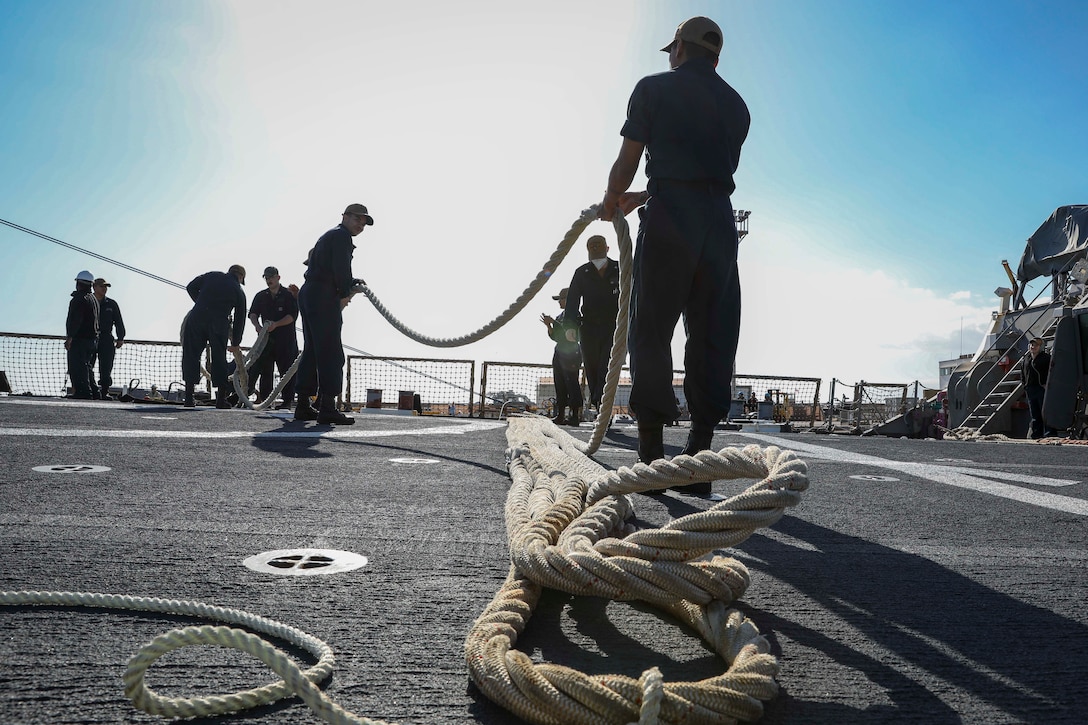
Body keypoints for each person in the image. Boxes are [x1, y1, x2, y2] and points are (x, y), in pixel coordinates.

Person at [598, 16, 750, 487]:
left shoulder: (653, 88)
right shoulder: (738, 106)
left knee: (651, 329)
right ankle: (699, 456)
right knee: (712, 332)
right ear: (717, 57)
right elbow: (703, 178)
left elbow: (630, 160)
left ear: (680, 49)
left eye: (672, 49)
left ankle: (649, 452)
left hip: (668, 223)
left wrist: (611, 200)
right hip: (719, 223)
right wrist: (649, 194)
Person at [294, 203, 373, 425]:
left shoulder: (330, 235)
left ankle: (302, 405)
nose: (360, 225)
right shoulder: (341, 237)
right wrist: (347, 287)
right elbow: (340, 268)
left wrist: (348, 283)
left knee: (312, 350)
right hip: (322, 295)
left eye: (364, 222)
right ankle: (327, 406)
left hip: (310, 292)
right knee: (331, 352)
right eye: (357, 219)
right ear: (345, 217)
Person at [565, 234, 620, 412]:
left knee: (607, 365)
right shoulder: (582, 273)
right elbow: (573, 300)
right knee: (592, 367)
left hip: (614, 327)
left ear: (607, 248)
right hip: (588, 328)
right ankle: (598, 404)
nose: (595, 248)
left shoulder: (621, 269)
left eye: (598, 245)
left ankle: (602, 403)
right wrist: (570, 326)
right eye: (591, 246)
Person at [181, 265, 247, 408]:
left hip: (197, 317)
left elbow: (190, 287)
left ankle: (188, 397)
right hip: (219, 322)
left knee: (191, 354)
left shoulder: (212, 275)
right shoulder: (238, 290)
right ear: (240, 277)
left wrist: (201, 303)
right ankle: (221, 399)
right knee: (219, 358)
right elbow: (240, 319)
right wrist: (236, 342)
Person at [247, 266, 299, 409]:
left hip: (285, 340)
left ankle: (287, 401)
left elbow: (292, 316)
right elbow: (253, 314)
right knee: (265, 370)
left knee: (286, 371)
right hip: (266, 340)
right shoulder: (261, 296)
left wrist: (276, 324)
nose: (269, 280)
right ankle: (265, 400)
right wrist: (257, 326)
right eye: (266, 278)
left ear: (278, 277)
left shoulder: (288, 296)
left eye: (271, 277)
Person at [540, 287, 583, 426]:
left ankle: (574, 415)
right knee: (560, 383)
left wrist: (553, 322)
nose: (559, 302)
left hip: (571, 352)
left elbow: (571, 335)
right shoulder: (560, 316)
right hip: (560, 352)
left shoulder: (575, 315)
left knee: (572, 383)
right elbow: (556, 336)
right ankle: (561, 414)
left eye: (561, 299)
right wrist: (549, 326)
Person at [65, 270, 100, 399]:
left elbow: (76, 320)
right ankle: (94, 392)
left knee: (77, 366)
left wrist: (70, 337)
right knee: (87, 367)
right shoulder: (93, 299)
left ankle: (82, 392)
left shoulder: (78, 299)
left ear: (78, 283)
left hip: (80, 339)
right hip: (92, 340)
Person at [90, 278, 125, 400]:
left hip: (106, 338)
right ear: (94, 287)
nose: (104, 289)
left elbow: (118, 321)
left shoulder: (111, 303)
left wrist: (120, 337)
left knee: (106, 367)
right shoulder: (88, 301)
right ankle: (90, 390)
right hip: (89, 337)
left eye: (106, 287)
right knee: (88, 365)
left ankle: (104, 391)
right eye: (101, 286)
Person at [1021, 337, 1053, 439]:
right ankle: (1036, 434)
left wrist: (1047, 384)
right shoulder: (1026, 359)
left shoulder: (1046, 358)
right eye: (1031, 344)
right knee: (1035, 414)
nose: (1033, 346)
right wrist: (1025, 385)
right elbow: (1023, 373)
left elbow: (1052, 371)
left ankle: (1049, 434)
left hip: (1041, 388)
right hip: (1030, 389)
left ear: (1040, 347)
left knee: (1045, 412)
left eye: (1035, 345)